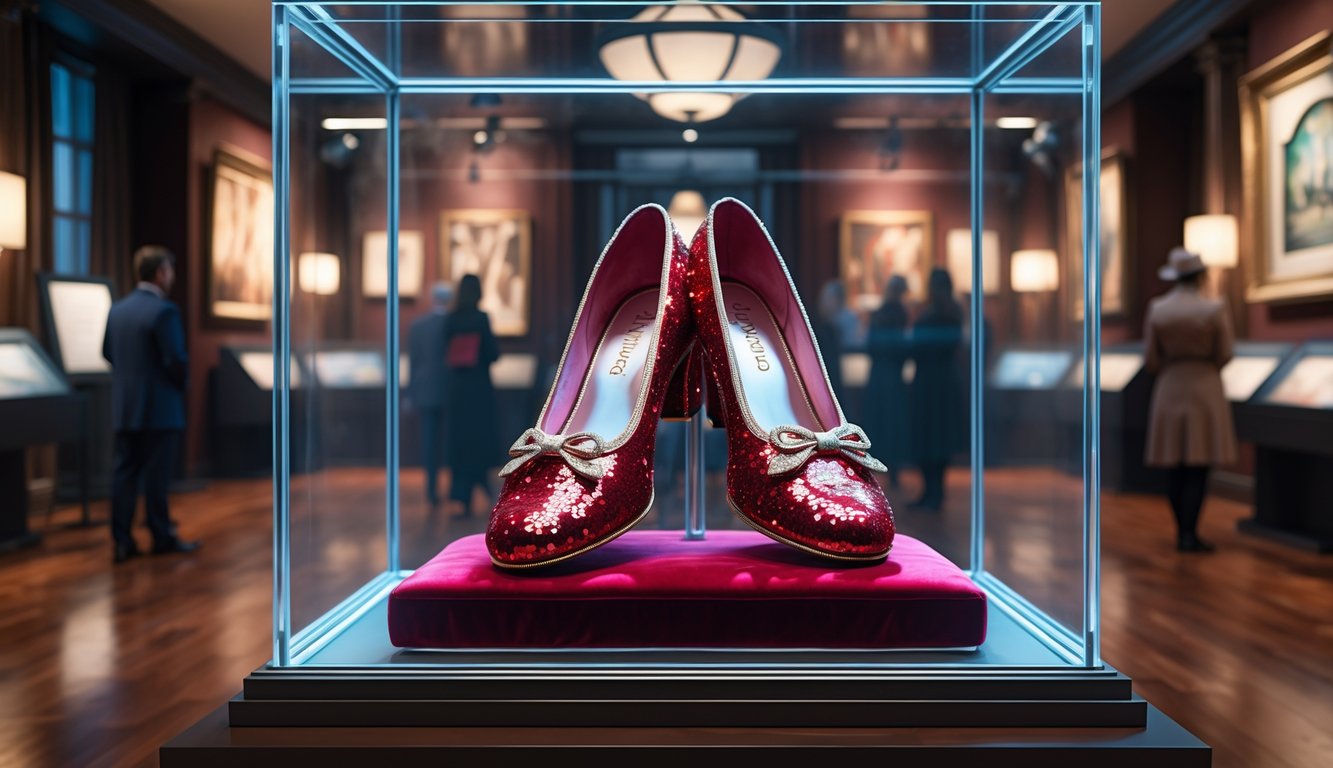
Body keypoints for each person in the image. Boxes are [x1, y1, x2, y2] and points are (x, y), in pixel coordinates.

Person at [102, 246, 200, 563]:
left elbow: (107, 352)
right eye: (170, 270)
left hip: (125, 407)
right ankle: (161, 536)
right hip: (160, 407)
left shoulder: (117, 309)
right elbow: (174, 359)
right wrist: (180, 385)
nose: (171, 276)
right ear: (160, 273)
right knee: (157, 476)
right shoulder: (165, 311)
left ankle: (122, 541)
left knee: (124, 473)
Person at [1143, 247, 1237, 553]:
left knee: (1175, 463)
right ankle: (1190, 533)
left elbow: (1151, 359)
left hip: (1170, 385)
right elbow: (1225, 352)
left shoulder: (1159, 308)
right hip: (1204, 387)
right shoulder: (1214, 308)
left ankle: (1181, 530)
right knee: (1199, 464)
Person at [907, 268, 964, 512]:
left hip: (931, 383)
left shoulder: (938, 314)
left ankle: (933, 493)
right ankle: (933, 492)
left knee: (931, 438)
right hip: (942, 383)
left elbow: (918, 343)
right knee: (936, 439)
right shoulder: (953, 312)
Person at [443, 274, 500, 517]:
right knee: (479, 438)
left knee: (460, 441)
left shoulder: (450, 320)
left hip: (457, 390)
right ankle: (485, 486)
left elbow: (443, 353)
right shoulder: (481, 319)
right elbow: (492, 353)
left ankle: (462, 495)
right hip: (478, 389)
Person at [408, 282, 454, 506]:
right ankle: (454, 489)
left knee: (429, 442)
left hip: (425, 389)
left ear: (432, 299)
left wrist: (411, 393)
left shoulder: (418, 326)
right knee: (451, 441)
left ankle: (431, 489)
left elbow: (414, 364)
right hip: (451, 389)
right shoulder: (453, 324)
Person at [864, 275, 911, 489]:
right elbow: (901, 348)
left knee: (881, 425)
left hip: (880, 376)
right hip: (891, 377)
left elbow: (871, 346)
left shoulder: (881, 314)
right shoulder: (898, 314)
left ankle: (875, 472)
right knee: (891, 426)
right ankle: (891, 473)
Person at [814, 279, 864, 394]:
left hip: (846, 379)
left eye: (826, 298)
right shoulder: (826, 324)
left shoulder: (847, 320)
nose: (822, 303)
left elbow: (852, 345)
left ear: (837, 299)